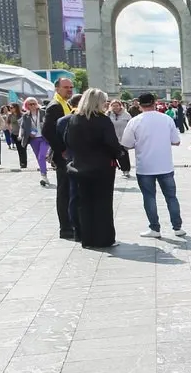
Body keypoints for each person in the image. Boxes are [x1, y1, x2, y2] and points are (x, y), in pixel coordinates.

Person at [120, 93, 185, 239]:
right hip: (165, 164)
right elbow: (176, 141)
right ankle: (177, 227)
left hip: (145, 166)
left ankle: (155, 228)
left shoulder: (135, 121)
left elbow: (126, 144)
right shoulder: (166, 119)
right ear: (155, 103)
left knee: (149, 197)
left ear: (139, 104)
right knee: (171, 197)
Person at [64, 89, 121, 249]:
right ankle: (104, 238)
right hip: (102, 167)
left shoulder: (74, 119)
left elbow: (67, 141)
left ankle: (87, 238)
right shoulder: (102, 120)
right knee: (103, 204)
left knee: (85, 204)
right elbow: (111, 143)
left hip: (80, 166)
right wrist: (119, 153)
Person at [43, 78, 77, 238]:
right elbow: (47, 131)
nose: (69, 90)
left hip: (68, 155)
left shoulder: (66, 103)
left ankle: (71, 223)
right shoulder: (55, 106)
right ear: (57, 88)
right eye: (65, 87)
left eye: (71, 87)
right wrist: (62, 150)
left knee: (70, 191)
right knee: (64, 192)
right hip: (63, 156)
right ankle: (65, 228)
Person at [20, 97, 49, 187]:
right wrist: (21, 135)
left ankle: (43, 176)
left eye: (34, 103)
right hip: (34, 139)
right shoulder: (26, 116)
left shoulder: (43, 112)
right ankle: (45, 176)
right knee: (39, 158)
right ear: (26, 105)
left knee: (41, 156)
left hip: (45, 138)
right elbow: (22, 126)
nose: (32, 106)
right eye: (30, 104)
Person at [108, 99, 133, 178]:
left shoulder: (126, 115)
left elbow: (131, 125)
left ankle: (126, 170)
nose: (115, 107)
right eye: (113, 106)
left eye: (117, 105)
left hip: (123, 138)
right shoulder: (108, 114)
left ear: (120, 106)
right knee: (111, 156)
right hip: (112, 138)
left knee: (123, 155)